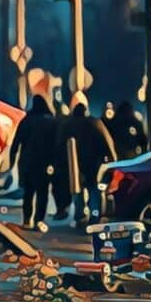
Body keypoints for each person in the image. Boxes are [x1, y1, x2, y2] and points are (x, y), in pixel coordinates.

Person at [56, 94, 117, 224]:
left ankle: (79, 214)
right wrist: (113, 160)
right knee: (94, 189)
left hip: (74, 164)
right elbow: (108, 142)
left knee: (77, 190)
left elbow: (59, 144)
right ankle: (94, 215)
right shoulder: (95, 123)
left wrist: (60, 162)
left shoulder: (68, 124)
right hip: (94, 163)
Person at [8, 95, 57, 230]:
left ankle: (26, 219)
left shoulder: (27, 120)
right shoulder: (51, 121)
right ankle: (39, 220)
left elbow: (16, 142)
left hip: (27, 162)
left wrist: (11, 161)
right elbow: (57, 143)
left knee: (28, 193)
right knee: (43, 193)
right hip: (45, 162)